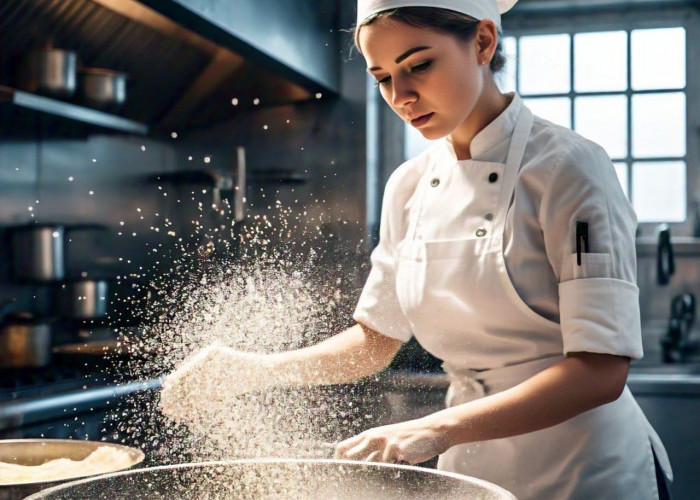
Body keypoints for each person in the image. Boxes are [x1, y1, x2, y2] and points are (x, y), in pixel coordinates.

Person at [160, 1, 674, 498]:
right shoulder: (409, 185)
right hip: (475, 466)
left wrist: (438, 427)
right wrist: (254, 369)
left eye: (419, 65)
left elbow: (601, 370)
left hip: (586, 469)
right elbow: (374, 342)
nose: (400, 95)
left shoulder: (568, 167)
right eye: (382, 77)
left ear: (482, 41)